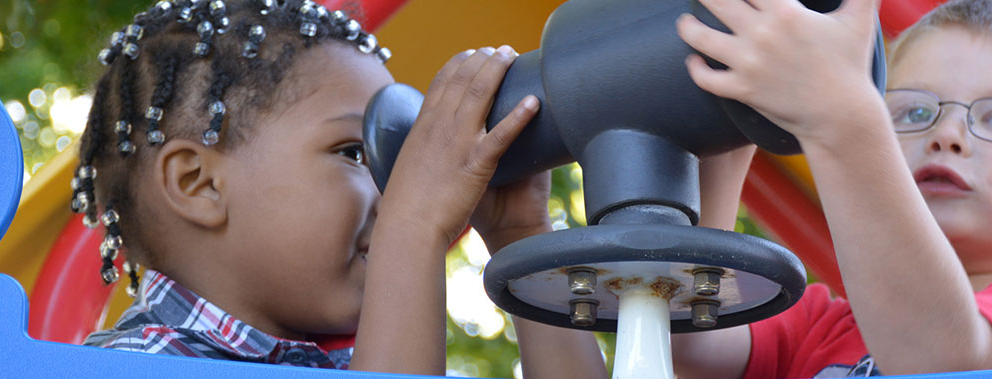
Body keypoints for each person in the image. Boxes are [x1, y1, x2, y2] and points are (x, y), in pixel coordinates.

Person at [74, 0, 604, 376]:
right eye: (354, 152)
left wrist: (520, 237)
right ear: (198, 183)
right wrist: (413, 225)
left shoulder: (361, 362)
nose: (399, 186)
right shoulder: (129, 364)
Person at [672, 0, 992, 377]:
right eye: (914, 113)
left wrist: (842, 119)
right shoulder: (821, 327)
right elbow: (692, 335)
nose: (947, 134)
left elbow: (941, 361)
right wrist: (727, 132)